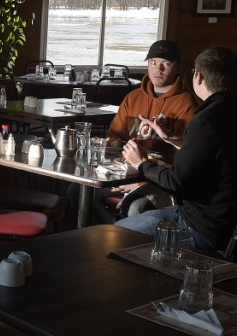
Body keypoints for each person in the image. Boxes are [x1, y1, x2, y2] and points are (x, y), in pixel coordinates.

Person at [116, 46, 237, 252]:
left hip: (204, 227)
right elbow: (224, 155)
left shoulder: (206, 119)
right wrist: (176, 140)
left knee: (114, 235)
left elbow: (176, 183)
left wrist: (141, 163)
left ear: (198, 77)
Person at [68, 40, 199, 223]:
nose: (158, 69)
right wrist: (116, 172)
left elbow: (185, 160)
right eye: (153, 63)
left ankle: (120, 238)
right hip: (122, 172)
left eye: (166, 64)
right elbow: (113, 140)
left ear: (177, 68)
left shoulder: (187, 104)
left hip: (158, 179)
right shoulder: (133, 97)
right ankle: (108, 234)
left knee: (135, 207)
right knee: (77, 190)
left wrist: (140, 181)